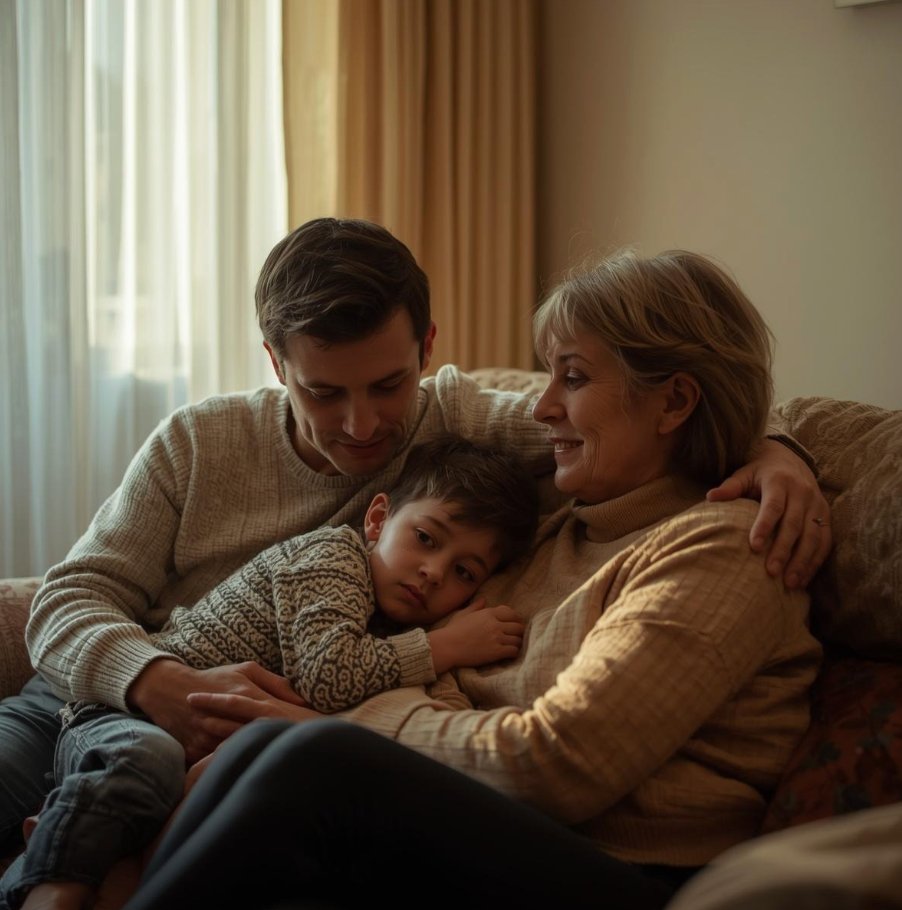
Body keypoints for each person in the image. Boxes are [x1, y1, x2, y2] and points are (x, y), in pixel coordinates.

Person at [0, 219, 828, 903]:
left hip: (589, 854)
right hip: (104, 692)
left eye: (388, 386)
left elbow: (708, 412)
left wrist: (775, 450)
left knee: (295, 759)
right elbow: (69, 597)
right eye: (324, 392)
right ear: (275, 361)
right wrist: (159, 683)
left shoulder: (496, 453)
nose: (362, 425)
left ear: (426, 351)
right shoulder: (199, 441)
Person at [0, 433, 538, 910]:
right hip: (120, 708)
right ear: (377, 520)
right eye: (426, 538)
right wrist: (445, 646)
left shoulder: (390, 628)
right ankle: (50, 894)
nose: (433, 572)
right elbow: (329, 674)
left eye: (464, 571)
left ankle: (67, 852)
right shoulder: (334, 557)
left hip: (194, 752)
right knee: (146, 759)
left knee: (194, 796)